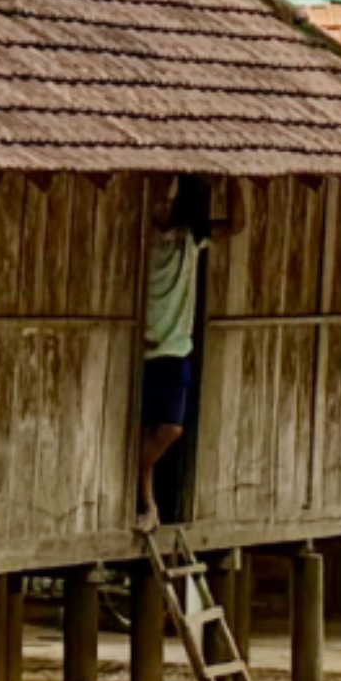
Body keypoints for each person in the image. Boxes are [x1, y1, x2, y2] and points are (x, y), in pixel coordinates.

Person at [132, 176, 222, 519]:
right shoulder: (138, 238)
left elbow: (238, 225)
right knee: (144, 429)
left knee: (170, 429)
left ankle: (136, 475)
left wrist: (237, 181)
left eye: (168, 201)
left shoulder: (190, 239)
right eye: (158, 201)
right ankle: (148, 504)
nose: (162, 207)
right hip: (141, 349)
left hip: (175, 348)